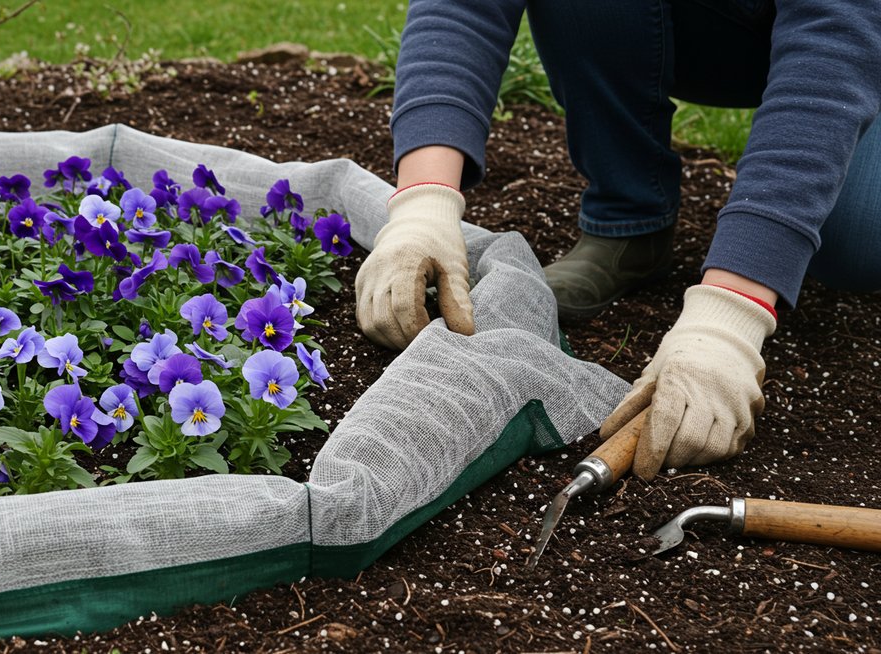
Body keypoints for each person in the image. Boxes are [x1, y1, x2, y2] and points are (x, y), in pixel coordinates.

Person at [356, 0, 881, 479]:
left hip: (856, 30)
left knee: (853, 241)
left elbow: (832, 46)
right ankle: (632, 219)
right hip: (734, 28)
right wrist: (423, 204)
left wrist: (729, 319)